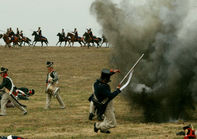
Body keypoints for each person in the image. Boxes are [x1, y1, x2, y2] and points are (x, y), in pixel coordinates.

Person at [92, 69, 120, 134]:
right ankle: (97, 126)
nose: (108, 81)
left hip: (108, 102)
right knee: (112, 124)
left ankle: (103, 130)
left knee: (109, 117)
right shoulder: (102, 87)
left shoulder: (97, 83)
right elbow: (111, 96)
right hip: (105, 104)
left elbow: (105, 75)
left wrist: (112, 72)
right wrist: (118, 90)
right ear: (104, 80)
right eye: (107, 79)